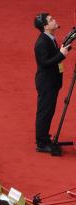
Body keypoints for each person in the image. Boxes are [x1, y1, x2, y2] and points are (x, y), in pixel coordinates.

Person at [33, 12, 68, 153]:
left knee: (49, 111)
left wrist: (65, 47)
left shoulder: (50, 38)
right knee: (45, 113)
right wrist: (61, 55)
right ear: (46, 26)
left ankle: (44, 138)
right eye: (51, 20)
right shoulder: (41, 42)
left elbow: (53, 55)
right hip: (46, 83)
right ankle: (41, 143)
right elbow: (45, 63)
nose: (54, 20)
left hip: (51, 82)